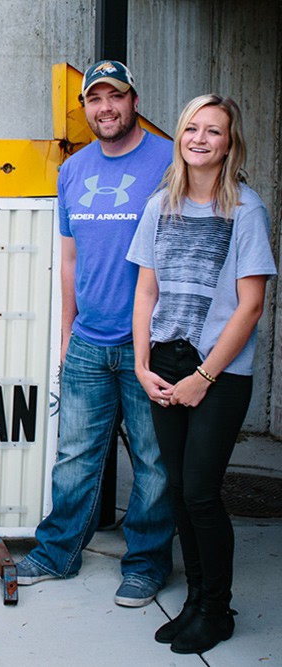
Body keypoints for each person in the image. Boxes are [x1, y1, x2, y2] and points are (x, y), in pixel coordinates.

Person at [15, 60, 176, 607]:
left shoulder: (168, 160)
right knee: (76, 454)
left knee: (153, 462)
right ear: (85, 108)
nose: (106, 108)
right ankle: (57, 552)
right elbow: (70, 259)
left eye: (116, 97)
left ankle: (147, 564)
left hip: (147, 343)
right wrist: (66, 335)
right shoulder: (75, 170)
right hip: (89, 338)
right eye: (96, 99)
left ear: (134, 101)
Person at [128, 95, 275, 654]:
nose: (199, 138)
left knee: (203, 493)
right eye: (192, 127)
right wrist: (142, 365)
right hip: (163, 363)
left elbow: (250, 307)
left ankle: (217, 609)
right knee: (180, 492)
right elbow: (146, 291)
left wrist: (204, 378)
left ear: (229, 143)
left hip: (219, 370)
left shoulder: (247, 211)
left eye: (213, 131)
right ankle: (194, 601)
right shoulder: (159, 205)